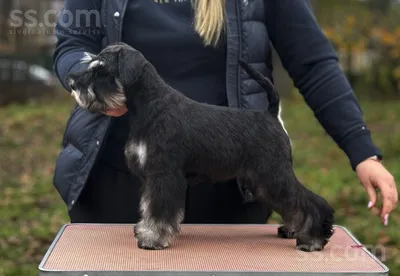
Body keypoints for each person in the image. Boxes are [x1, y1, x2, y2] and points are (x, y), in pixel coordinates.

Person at [52, 0, 397, 226]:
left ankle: (313, 220)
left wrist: (361, 150)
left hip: (229, 176)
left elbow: (314, 63)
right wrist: (96, 81)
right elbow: (71, 44)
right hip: (115, 178)